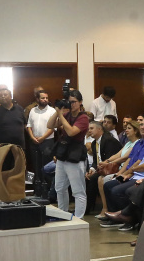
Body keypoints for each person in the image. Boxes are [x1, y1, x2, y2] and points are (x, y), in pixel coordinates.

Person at [47, 89, 90, 219]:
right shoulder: (67, 115)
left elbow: (71, 132)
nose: (71, 105)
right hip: (63, 155)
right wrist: (57, 111)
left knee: (78, 191)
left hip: (75, 156)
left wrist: (61, 115)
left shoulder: (83, 118)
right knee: (59, 187)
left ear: (80, 102)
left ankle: (79, 218)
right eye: (69, 102)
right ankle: (63, 214)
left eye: (74, 102)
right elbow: (49, 125)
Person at [96, 120, 139, 217]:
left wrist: (111, 165)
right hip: (119, 168)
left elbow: (125, 158)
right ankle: (106, 208)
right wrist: (106, 161)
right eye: (126, 128)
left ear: (136, 131)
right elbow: (117, 155)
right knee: (100, 178)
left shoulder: (137, 143)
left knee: (106, 181)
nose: (126, 130)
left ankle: (112, 210)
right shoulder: (128, 143)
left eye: (129, 128)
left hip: (124, 169)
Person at [85, 120, 123, 213]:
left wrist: (96, 171)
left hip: (112, 168)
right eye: (89, 128)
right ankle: (87, 206)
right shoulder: (94, 143)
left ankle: (87, 209)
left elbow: (109, 159)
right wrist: (91, 169)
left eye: (92, 128)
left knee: (93, 179)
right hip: (101, 168)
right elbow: (95, 160)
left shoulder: (108, 140)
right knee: (87, 177)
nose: (89, 130)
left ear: (99, 129)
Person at [27, 90, 55, 181]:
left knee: (46, 166)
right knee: (35, 165)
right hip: (34, 141)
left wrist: (43, 138)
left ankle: (46, 189)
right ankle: (37, 188)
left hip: (47, 142)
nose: (45, 100)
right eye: (43, 98)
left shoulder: (52, 111)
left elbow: (53, 128)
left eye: (46, 98)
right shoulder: (32, 110)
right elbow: (29, 126)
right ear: (37, 99)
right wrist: (32, 137)